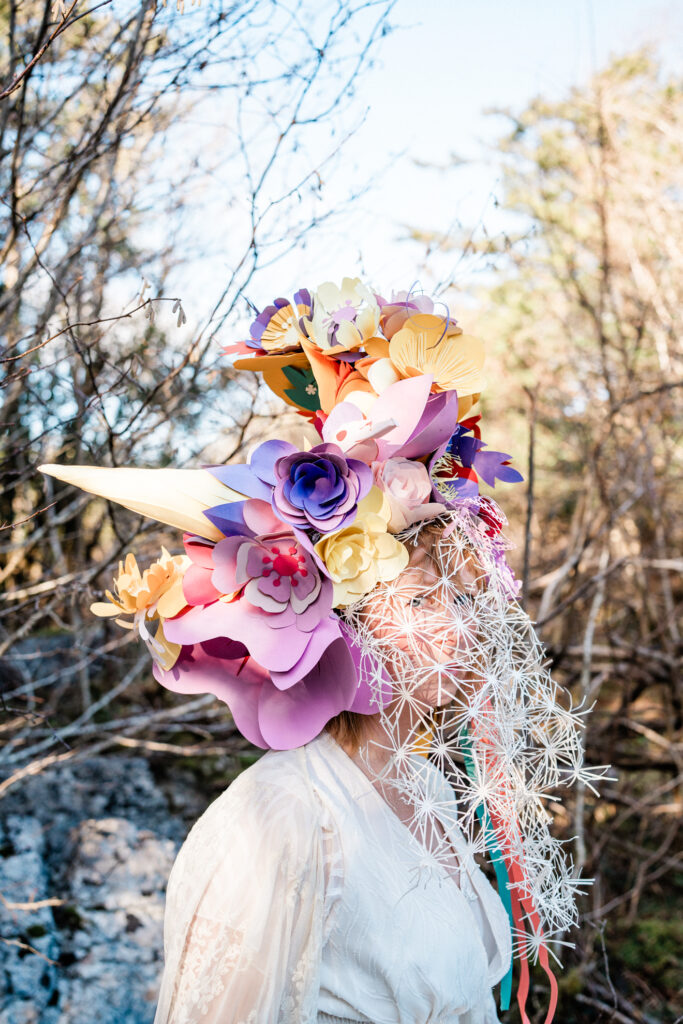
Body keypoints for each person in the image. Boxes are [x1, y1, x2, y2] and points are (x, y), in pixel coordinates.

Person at [40, 277, 605, 1024]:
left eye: (466, 600)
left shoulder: (432, 792)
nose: (459, 631)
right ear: (344, 618)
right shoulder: (281, 822)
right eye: (416, 602)